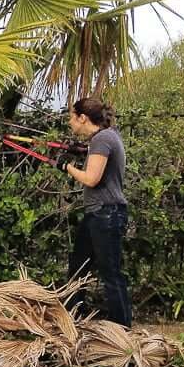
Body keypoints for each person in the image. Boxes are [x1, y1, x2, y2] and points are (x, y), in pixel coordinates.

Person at [57, 97, 132, 327]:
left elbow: (91, 178)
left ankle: (121, 331)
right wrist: (82, 152)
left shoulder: (101, 139)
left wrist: (66, 167)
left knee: (111, 273)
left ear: (83, 118)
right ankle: (72, 320)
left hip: (106, 214)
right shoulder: (105, 137)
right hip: (97, 214)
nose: (70, 122)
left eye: (72, 117)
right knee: (78, 267)